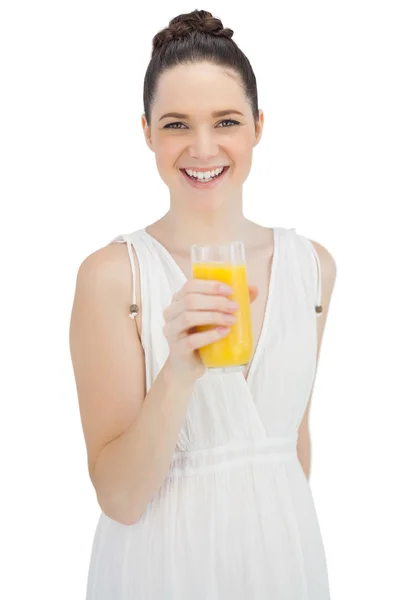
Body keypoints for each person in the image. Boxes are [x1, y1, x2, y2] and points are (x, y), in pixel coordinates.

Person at [69, 9, 336, 599]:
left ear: (259, 126)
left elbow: (292, 447)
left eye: (227, 120)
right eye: (174, 125)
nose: (203, 147)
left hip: (286, 568)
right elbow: (119, 497)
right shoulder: (113, 278)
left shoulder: (312, 267)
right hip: (158, 571)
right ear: (145, 132)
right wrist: (180, 371)